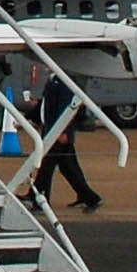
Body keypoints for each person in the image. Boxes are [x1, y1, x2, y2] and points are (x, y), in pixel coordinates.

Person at [28, 64, 102, 214]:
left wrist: (63, 131)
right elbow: (45, 106)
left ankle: (38, 197)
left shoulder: (63, 82)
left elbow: (65, 108)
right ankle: (88, 197)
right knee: (68, 168)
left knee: (48, 166)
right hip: (52, 131)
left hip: (58, 132)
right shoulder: (54, 81)